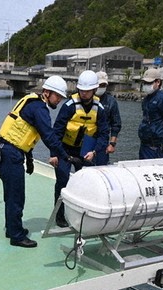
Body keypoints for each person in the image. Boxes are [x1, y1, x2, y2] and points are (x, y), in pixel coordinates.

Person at [0, 75, 70, 248]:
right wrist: (65, 155)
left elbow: (24, 135)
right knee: (16, 196)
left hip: (5, 152)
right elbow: (49, 136)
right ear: (47, 92)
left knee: (11, 194)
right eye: (57, 96)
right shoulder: (40, 109)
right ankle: (16, 236)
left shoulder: (31, 102)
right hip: (10, 154)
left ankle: (12, 228)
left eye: (60, 97)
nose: (58, 100)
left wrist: (29, 159)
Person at [51, 70, 109, 227]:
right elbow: (56, 131)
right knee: (62, 181)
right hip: (64, 149)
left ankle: (83, 215)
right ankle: (60, 216)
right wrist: (54, 154)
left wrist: (95, 151)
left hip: (86, 151)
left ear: (94, 90)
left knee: (86, 183)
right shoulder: (69, 106)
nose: (84, 94)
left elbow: (104, 135)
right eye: (81, 90)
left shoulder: (100, 109)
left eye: (87, 91)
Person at [94, 71, 122, 165]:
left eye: (103, 85)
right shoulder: (87, 99)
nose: (101, 88)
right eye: (99, 85)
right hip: (86, 139)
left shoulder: (111, 102)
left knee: (101, 167)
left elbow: (116, 124)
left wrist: (112, 144)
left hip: (103, 141)